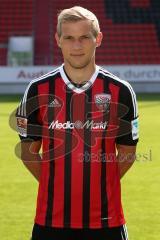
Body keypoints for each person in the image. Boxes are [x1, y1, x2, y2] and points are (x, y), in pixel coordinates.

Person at [16, 6, 139, 240]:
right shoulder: (37, 90)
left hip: (106, 221)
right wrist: (57, 186)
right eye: (69, 38)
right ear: (58, 40)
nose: (77, 46)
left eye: (84, 37)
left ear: (98, 39)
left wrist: (100, 182)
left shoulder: (121, 91)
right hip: (50, 220)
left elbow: (127, 153)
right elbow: (28, 153)